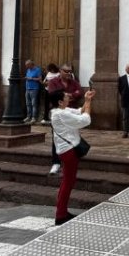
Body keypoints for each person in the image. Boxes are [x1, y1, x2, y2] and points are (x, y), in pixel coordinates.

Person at [49, 88, 95, 226]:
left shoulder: (60, 111)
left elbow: (79, 111)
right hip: (68, 151)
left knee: (67, 181)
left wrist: (88, 100)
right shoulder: (60, 114)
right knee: (68, 182)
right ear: (60, 101)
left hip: (66, 150)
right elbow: (85, 120)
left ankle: (62, 211)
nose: (68, 95)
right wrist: (87, 102)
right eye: (65, 95)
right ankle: (60, 215)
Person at [47, 63, 83, 175]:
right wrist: (71, 95)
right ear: (60, 71)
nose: (68, 73)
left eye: (70, 71)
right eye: (66, 71)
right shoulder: (53, 82)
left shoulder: (74, 82)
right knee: (57, 138)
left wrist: (67, 95)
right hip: (58, 115)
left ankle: (71, 161)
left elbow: (80, 92)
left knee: (73, 137)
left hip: (71, 114)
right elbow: (52, 94)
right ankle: (56, 163)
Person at [23, 59, 42, 124]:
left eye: (27, 65)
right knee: (28, 104)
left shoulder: (37, 70)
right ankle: (28, 116)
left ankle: (34, 118)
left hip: (34, 89)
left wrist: (31, 79)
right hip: (27, 88)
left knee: (34, 104)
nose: (26, 67)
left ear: (31, 64)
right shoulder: (28, 70)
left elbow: (40, 79)